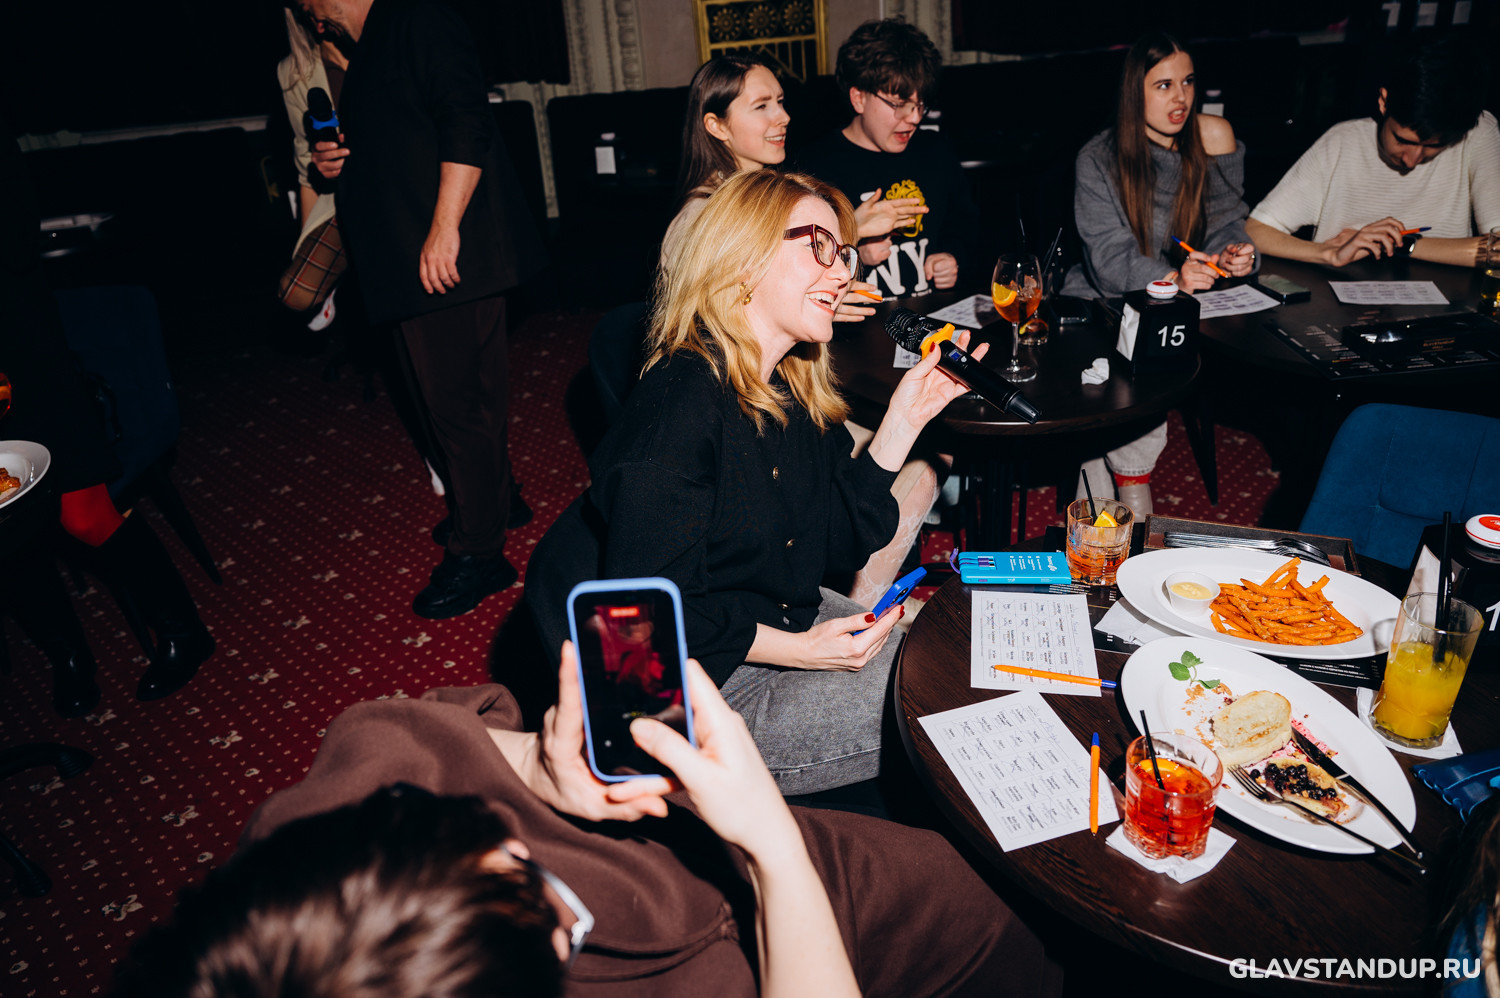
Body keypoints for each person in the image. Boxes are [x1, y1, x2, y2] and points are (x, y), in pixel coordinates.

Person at [110, 645, 1059, 997]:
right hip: (838, 932)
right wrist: (771, 847)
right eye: (542, 927)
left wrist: (542, 770)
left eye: (498, 849)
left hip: (871, 870)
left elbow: (420, 729)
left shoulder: (303, 857)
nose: (562, 900)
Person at [533, 169, 983, 795]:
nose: (842, 272)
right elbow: (647, 626)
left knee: (957, 656)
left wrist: (906, 418)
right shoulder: (678, 411)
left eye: (844, 254)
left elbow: (841, 541)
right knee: (949, 699)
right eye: (819, 246)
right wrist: (805, 652)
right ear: (743, 259)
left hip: (774, 618)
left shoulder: (788, 386)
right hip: (699, 695)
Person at [304, 0, 542, 619]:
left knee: (457, 408)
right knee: (461, 399)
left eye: (307, 2)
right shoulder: (371, 44)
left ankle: (480, 551)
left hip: (443, 256)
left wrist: (444, 228)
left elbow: (466, 120)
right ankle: (495, 502)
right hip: (410, 260)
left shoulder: (418, 18)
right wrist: (331, 162)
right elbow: (401, 139)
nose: (306, 12)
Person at [660, 52, 927, 606]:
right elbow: (719, 342)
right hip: (748, 425)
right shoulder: (704, 219)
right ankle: (859, 605)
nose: (782, 117)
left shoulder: (768, 193)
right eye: (761, 106)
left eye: (781, 102)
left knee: (914, 445)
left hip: (781, 405)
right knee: (923, 461)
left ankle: (852, 600)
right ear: (716, 126)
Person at [1060, 32, 1256, 516]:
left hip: (1174, 303)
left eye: (1188, 82)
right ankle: (1126, 512)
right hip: (1100, 299)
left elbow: (1228, 221)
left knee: (1146, 358)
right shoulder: (1098, 158)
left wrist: (1233, 252)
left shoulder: (1207, 140)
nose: (1181, 97)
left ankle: (1107, 516)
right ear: (1135, 92)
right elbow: (1109, 257)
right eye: (1164, 85)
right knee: (1116, 376)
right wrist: (1173, 278)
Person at [1246, 33, 1500, 269]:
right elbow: (1255, 231)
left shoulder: (1477, 132)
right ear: (1384, 102)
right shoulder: (1343, 141)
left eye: (1434, 146)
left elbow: (1498, 249)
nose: (1411, 160)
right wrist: (1326, 253)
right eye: (1403, 140)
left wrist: (1401, 243)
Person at [794, 17, 977, 301]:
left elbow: (966, 225)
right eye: (899, 104)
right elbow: (796, 271)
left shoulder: (935, 151)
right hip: (860, 324)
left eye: (920, 104)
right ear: (859, 98)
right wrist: (853, 249)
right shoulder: (813, 168)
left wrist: (953, 256)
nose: (914, 118)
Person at [274, 8, 348, 323]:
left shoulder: (386, 46)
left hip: (404, 186)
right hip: (345, 198)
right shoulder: (295, 72)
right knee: (297, 293)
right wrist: (305, 247)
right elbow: (307, 168)